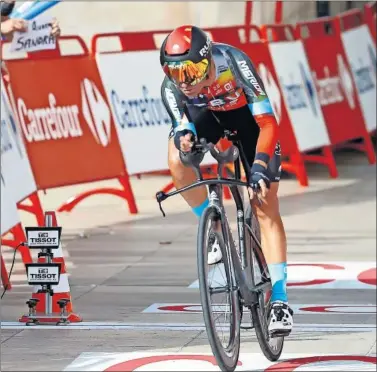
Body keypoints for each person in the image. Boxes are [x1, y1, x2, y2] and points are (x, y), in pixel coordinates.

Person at [159, 25, 293, 337]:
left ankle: (280, 298)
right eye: (175, 73)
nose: (185, 82)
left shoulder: (233, 61)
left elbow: (268, 122)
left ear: (208, 61)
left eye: (192, 71)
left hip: (249, 122)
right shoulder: (172, 88)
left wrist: (259, 167)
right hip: (207, 116)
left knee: (264, 204)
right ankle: (215, 230)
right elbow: (181, 126)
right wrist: (185, 138)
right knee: (176, 162)